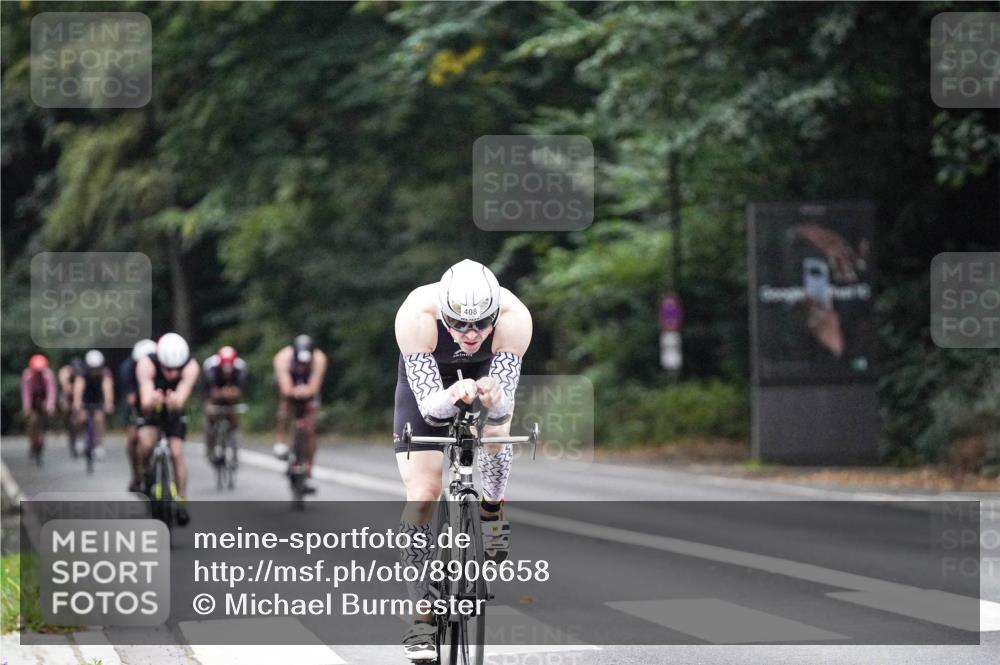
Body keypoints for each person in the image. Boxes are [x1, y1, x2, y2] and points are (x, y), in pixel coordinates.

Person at [393, 259, 531, 661]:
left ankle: (492, 510)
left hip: (487, 372)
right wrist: (454, 394)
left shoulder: (514, 318)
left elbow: (501, 412)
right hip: (430, 385)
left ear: (495, 314)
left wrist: (493, 396)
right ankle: (421, 620)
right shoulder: (416, 315)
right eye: (458, 325)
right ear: (443, 314)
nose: (471, 335)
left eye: (481, 324)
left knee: (495, 432)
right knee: (422, 496)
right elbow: (431, 411)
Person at [136, 333, 199, 525]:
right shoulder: (146, 364)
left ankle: (181, 501)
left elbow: (183, 393)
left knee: (177, 452)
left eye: (176, 369)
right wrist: (152, 401)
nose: (172, 374)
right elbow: (145, 398)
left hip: (174, 411)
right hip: (151, 410)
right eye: (167, 369)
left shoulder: (191, 366)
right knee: (146, 445)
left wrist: (175, 401)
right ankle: (144, 476)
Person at [273, 334, 327, 493]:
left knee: (310, 427)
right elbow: (285, 387)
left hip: (309, 393)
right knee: (285, 409)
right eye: (300, 361)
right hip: (291, 389)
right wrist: (293, 391)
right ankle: (281, 441)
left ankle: (308, 466)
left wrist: (307, 391)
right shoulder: (283, 357)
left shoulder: (319, 358)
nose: (303, 365)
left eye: (306, 362)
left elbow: (315, 386)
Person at [202, 345, 248, 462]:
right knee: (211, 412)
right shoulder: (211, 367)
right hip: (214, 390)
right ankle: (210, 439)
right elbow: (212, 392)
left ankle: (233, 435)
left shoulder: (240, 368)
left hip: (230, 393)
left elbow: (238, 391)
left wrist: (229, 393)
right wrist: (222, 393)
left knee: (233, 411)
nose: (227, 371)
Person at [123, 339, 158, 492]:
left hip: (157, 402)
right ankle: (136, 475)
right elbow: (131, 397)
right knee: (133, 438)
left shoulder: (161, 366)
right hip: (137, 405)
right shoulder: (128, 369)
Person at [73, 349, 114, 466]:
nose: (95, 371)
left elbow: (107, 389)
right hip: (86, 399)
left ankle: (99, 445)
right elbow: (78, 389)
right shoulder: (82, 373)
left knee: (99, 419)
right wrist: (77, 402)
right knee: (81, 418)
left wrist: (108, 403)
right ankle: (80, 438)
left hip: (98, 399)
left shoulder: (105, 374)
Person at [21, 354, 56, 465]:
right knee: (32, 422)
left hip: (44, 403)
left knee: (42, 426)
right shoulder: (27, 376)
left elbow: (51, 392)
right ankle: (32, 443)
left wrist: (50, 406)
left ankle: (40, 445)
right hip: (33, 403)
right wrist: (27, 408)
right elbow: (26, 393)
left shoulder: (48, 375)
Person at [57, 357, 83, 457]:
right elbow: (66, 389)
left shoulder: (81, 374)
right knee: (65, 408)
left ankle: (80, 435)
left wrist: (77, 403)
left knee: (80, 415)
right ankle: (66, 426)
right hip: (65, 395)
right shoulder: (64, 372)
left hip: (77, 394)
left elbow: (79, 390)